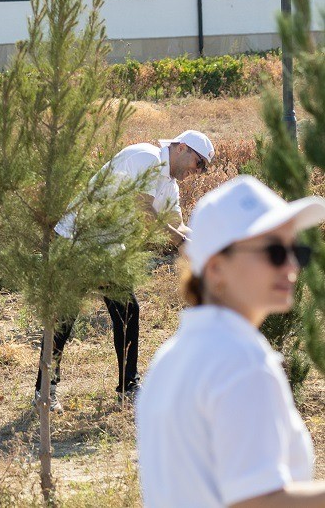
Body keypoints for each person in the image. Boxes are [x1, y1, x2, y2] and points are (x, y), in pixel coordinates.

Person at [137, 175, 325, 507]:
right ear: (216, 268)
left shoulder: (171, 356)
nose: (292, 265)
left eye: (295, 249)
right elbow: (255, 501)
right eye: (275, 252)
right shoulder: (241, 360)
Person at [34, 130, 215, 410]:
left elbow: (176, 224)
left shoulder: (169, 184)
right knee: (68, 316)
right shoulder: (147, 157)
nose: (199, 171)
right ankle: (48, 391)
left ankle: (124, 387)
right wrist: (181, 242)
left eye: (203, 168)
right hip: (79, 237)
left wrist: (207, 244)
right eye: (199, 163)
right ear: (181, 148)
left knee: (124, 311)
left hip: (106, 245)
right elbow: (143, 211)